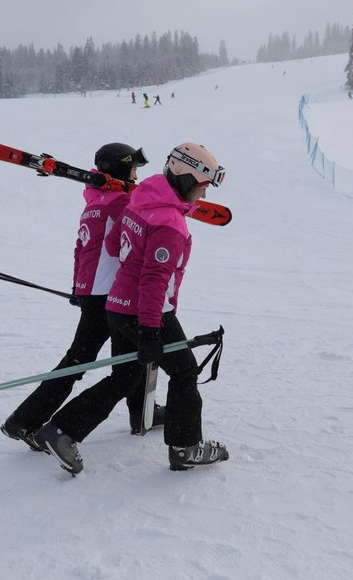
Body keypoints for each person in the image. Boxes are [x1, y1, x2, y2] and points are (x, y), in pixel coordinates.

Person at [36, 143, 229, 474]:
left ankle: (62, 430)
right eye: (201, 185)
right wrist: (152, 329)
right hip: (147, 311)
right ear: (185, 179)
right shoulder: (170, 222)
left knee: (125, 375)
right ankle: (185, 447)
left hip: (118, 306)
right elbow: (154, 280)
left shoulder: (141, 198)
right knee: (184, 372)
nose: (203, 195)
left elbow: (114, 246)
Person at [0, 143, 163, 450]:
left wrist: (80, 289)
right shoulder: (120, 204)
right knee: (128, 363)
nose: (137, 174)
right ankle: (43, 423)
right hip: (112, 296)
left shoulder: (94, 203)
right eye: (134, 169)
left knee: (86, 359)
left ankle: (24, 421)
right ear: (120, 170)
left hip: (94, 292)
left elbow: (81, 250)